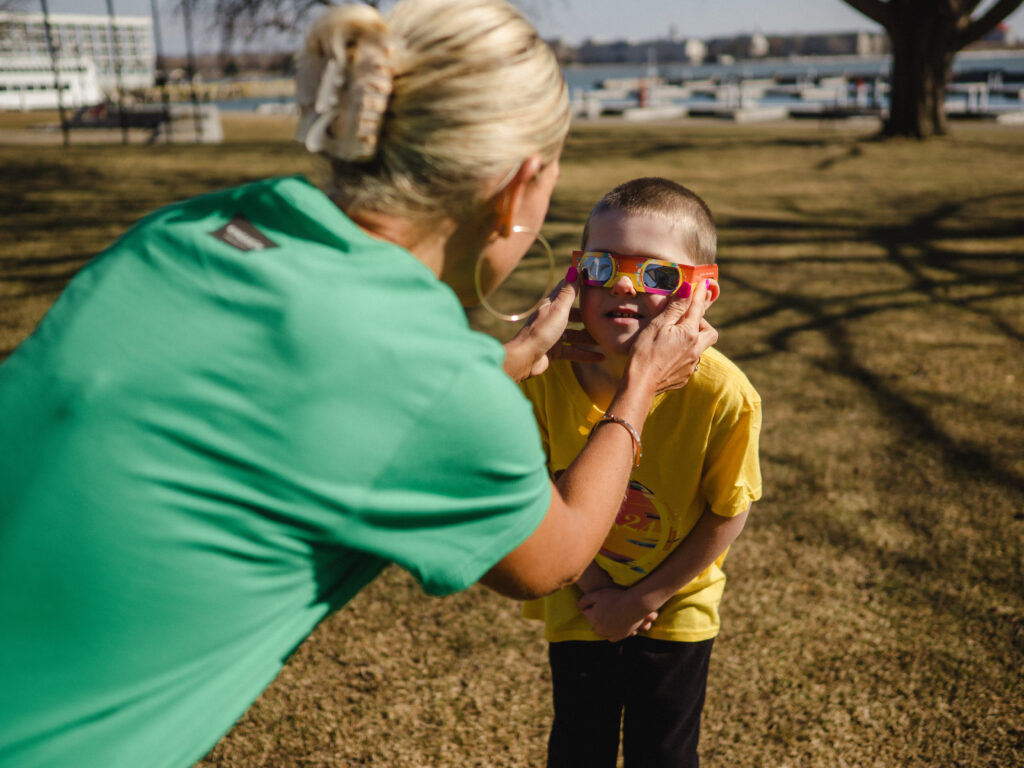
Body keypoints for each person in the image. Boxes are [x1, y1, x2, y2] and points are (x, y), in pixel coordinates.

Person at [0, 4, 718, 768]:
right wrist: (639, 387)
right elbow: (557, 557)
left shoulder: (193, 227)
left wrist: (494, 370)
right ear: (519, 188)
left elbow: (316, 386)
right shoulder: (429, 382)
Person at [520, 177, 762, 768]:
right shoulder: (544, 375)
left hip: (677, 604)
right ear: (576, 276)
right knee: (579, 746)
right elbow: (534, 488)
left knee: (666, 752)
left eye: (655, 275)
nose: (622, 285)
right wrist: (598, 589)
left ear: (703, 292)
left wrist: (645, 596)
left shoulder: (723, 393)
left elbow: (727, 512)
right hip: (581, 600)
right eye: (601, 265)